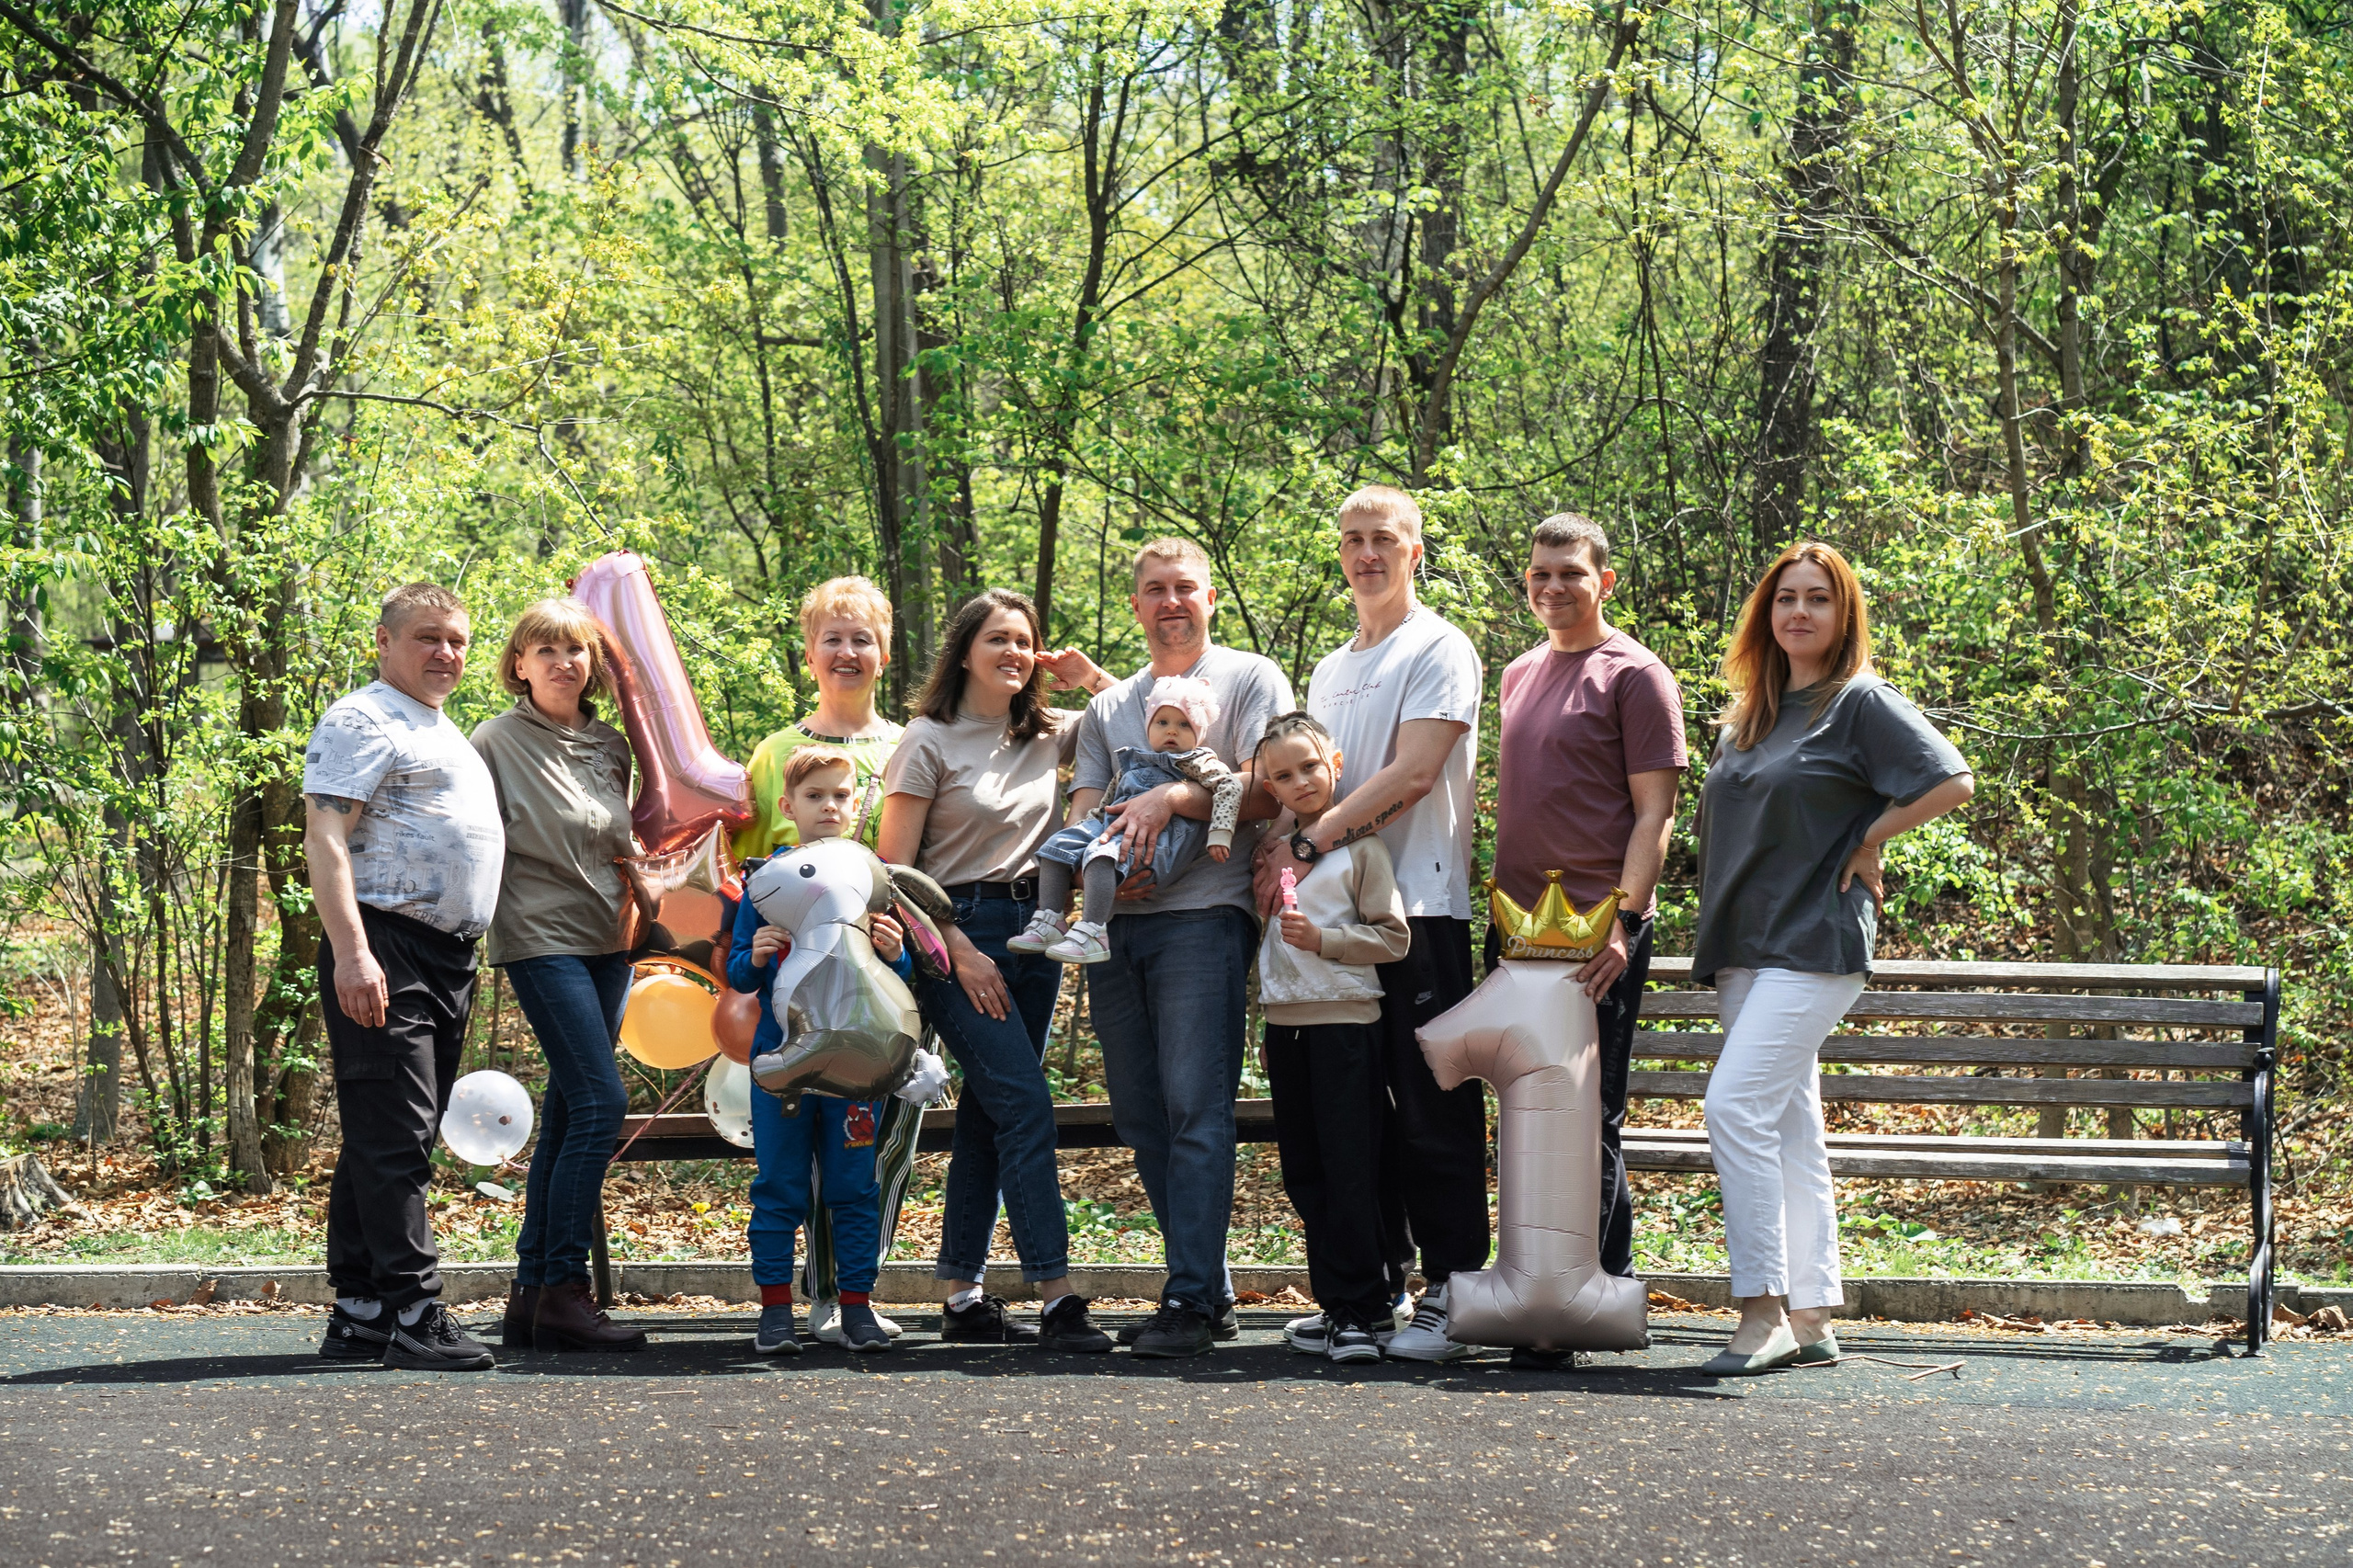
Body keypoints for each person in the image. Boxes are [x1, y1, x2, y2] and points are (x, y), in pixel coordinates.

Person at [1690, 540, 1972, 1376]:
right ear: (1765, 615)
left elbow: (1951, 779)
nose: (1800, 613)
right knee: (1786, 1126)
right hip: (1746, 943)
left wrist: (1870, 835)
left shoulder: (1861, 702)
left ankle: (1761, 1309)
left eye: (1818, 599)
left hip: (1815, 941)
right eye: (1786, 599)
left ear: (1844, 614)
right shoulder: (1755, 713)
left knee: (1732, 1109)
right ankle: (1812, 1314)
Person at [1259, 485, 1484, 1363]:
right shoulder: (1327, 666)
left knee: (1431, 1107)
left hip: (1419, 911)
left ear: (1415, 551)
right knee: (1353, 1118)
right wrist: (1280, 843)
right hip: (1329, 930)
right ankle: (1373, 1289)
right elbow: (1305, 782)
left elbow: (1416, 772)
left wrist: (1307, 842)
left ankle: (1455, 1290)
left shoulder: (1439, 647)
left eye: (1383, 538)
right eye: (1352, 539)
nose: (1366, 553)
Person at [1059, 539, 1293, 1358]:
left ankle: (1190, 1298)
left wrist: (1172, 796)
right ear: (1136, 606)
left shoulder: (1251, 680)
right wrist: (1102, 858)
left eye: (1185, 588)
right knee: (1140, 1112)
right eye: (1154, 590)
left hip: (1204, 919)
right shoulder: (1109, 707)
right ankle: (1210, 1286)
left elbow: (1271, 786)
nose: (1171, 602)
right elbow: (1087, 800)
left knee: (1197, 1107)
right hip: (1117, 925)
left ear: (1210, 598)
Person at [875, 588, 1116, 1353]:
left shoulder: (1049, 731)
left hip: (1037, 930)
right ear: (965, 652)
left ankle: (961, 1296)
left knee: (990, 1111)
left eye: (1025, 640)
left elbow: (1153, 724)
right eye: (997, 640)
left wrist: (1096, 680)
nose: (1013, 653)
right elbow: (892, 873)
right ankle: (1056, 1293)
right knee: (1025, 1105)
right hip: (959, 933)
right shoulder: (927, 739)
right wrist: (958, 947)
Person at [302, 583, 506, 1371]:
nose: (446, 654)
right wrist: (354, 951)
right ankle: (417, 1311)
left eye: (456, 640)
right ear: (382, 642)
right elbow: (325, 838)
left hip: (446, 955)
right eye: (428, 638)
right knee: (397, 1139)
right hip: (386, 942)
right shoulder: (362, 718)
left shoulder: (441, 728)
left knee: (390, 1133)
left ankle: (358, 1313)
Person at [1491, 515, 1686, 1292]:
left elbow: (1656, 814)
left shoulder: (1636, 675)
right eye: (1540, 573)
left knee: (1582, 1117)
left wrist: (1625, 925)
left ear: (1604, 581)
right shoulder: (1518, 673)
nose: (1552, 587)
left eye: (1570, 572)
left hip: (1597, 935)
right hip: (1517, 933)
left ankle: (1567, 1296)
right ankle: (1609, 1278)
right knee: (1539, 1115)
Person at [731, 576, 917, 1348]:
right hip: (787, 1018)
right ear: (810, 652)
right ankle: (793, 1301)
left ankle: (855, 1297)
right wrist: (754, 955)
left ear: (884, 651)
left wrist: (898, 955)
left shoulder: (909, 743)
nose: (847, 652)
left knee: (865, 1165)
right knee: (783, 1172)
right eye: (832, 638)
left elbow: (905, 878)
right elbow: (748, 881)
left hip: (873, 1007)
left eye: (862, 638)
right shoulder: (776, 752)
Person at [470, 599, 648, 1355]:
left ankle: (533, 1299)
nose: (562, 662)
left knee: (572, 1111)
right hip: (539, 936)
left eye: (576, 650)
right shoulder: (493, 742)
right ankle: (567, 1287)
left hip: (610, 936)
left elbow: (619, 838)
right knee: (603, 1104)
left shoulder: (611, 745)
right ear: (519, 663)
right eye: (545, 650)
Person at [1252, 711, 1411, 1364]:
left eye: (1310, 767)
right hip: (1283, 1029)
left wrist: (1327, 942)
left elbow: (1393, 938)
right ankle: (1339, 1303)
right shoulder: (1273, 851)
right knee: (1307, 1173)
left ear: (1336, 765)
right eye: (1282, 776)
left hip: (1346, 1027)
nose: (1300, 782)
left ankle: (1364, 1309)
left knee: (1352, 1168)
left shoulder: (1359, 849)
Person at [1014, 675, 1243, 965]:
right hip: (1114, 828)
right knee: (1057, 845)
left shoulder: (1196, 761)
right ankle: (1050, 919)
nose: (1172, 731)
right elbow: (1107, 805)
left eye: (1184, 724)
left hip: (1160, 841)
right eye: (1162, 723)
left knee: (1101, 854)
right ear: (1148, 727)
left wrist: (1220, 832)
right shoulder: (1133, 761)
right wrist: (1084, 833)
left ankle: (1094, 931)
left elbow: (1230, 785)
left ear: (1198, 731)